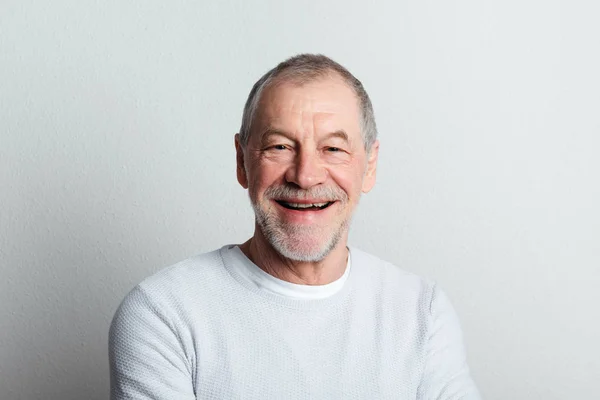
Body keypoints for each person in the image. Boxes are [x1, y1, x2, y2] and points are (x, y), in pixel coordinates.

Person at [109, 54, 481, 399]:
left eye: (333, 149)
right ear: (242, 162)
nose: (305, 176)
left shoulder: (422, 312)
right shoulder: (164, 314)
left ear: (368, 166)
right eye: (280, 146)